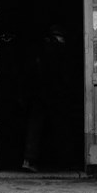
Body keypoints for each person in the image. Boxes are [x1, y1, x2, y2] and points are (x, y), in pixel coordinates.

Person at [22, 24, 69, 172]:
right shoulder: (57, 51)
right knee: (56, 127)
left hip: (39, 94)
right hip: (51, 93)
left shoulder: (38, 50)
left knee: (36, 128)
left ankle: (30, 159)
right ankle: (61, 161)